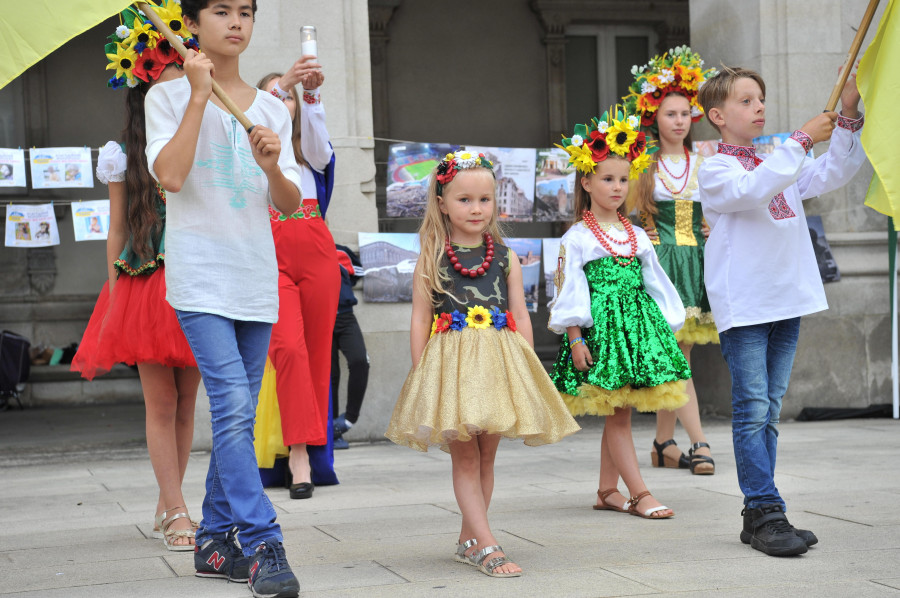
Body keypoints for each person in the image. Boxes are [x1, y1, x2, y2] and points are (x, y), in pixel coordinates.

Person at [144, 0, 302, 594]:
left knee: (238, 410)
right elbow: (172, 177)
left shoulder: (268, 108)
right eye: (221, 10)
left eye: (246, 12)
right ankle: (263, 542)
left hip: (254, 274)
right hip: (201, 275)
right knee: (234, 405)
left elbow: (287, 203)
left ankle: (212, 542)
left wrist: (270, 166)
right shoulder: (164, 97)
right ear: (192, 24)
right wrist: (197, 96)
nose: (237, 22)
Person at [386, 150, 580, 578]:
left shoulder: (507, 257)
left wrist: (527, 367)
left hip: (497, 364)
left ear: (496, 202)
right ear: (442, 203)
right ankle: (488, 545)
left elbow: (521, 314)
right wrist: (422, 374)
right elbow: (420, 318)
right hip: (451, 369)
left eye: (485, 200)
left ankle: (469, 538)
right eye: (464, 200)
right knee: (466, 460)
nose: (476, 209)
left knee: (487, 458)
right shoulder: (432, 257)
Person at [697, 65, 865, 556]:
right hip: (746, 307)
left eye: (761, 99)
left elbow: (835, 170)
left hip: (785, 300)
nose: (759, 107)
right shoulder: (717, 170)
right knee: (751, 411)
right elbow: (750, 191)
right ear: (718, 116)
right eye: (746, 101)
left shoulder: (777, 162)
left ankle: (759, 513)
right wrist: (798, 139)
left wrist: (848, 113)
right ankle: (768, 509)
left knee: (769, 412)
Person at [71, 3, 200, 553]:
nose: (174, 84)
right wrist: (116, 295)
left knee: (190, 403)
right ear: (144, 90)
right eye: (165, 77)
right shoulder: (122, 154)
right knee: (162, 404)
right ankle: (174, 510)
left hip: (199, 275)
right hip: (147, 285)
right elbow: (117, 230)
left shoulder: (201, 131)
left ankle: (170, 497)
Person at [549, 107, 690, 520]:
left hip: (637, 333)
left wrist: (664, 327)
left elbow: (656, 283)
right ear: (587, 181)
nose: (616, 187)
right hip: (603, 335)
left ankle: (608, 490)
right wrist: (575, 338)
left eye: (624, 179)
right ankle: (641, 493)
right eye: (607, 179)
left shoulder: (636, 236)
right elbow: (569, 290)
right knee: (618, 416)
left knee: (620, 413)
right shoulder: (577, 237)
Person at [623, 46, 718, 475]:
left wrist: (713, 226)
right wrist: (639, 229)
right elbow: (618, 210)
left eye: (684, 114)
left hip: (695, 263)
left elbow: (720, 209)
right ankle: (699, 441)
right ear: (655, 119)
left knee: (681, 356)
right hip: (660, 264)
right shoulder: (642, 165)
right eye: (670, 114)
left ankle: (664, 443)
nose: (678, 121)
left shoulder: (706, 162)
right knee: (676, 357)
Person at [254, 54, 340, 498]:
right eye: (279, 93)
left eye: (289, 96)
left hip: (316, 249)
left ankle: (309, 449)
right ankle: (298, 453)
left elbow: (321, 147)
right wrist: (283, 82)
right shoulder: (251, 150)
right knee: (286, 348)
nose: (284, 99)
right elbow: (246, 116)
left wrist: (310, 93)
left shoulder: (309, 155)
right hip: (269, 251)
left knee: (318, 354)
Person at [331, 243, 368, 450]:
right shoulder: (304, 249)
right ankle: (331, 430)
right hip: (320, 319)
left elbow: (357, 273)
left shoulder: (341, 251)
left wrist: (341, 292)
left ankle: (348, 420)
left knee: (360, 361)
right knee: (330, 375)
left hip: (346, 317)